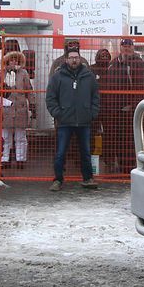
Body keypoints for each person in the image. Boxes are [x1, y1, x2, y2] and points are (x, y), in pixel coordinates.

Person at [45, 48, 99, 191]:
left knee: (85, 152)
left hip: (84, 121)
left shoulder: (89, 76)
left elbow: (95, 97)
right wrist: (58, 114)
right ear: (66, 60)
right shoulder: (58, 77)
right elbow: (50, 97)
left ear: (80, 59)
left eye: (76, 57)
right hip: (64, 122)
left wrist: (91, 113)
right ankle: (58, 180)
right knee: (61, 152)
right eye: (71, 57)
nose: (74, 60)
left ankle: (88, 178)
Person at [104, 38, 144, 173]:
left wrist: (134, 106)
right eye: (124, 46)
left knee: (129, 139)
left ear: (133, 47)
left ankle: (129, 166)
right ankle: (119, 163)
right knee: (116, 138)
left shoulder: (138, 63)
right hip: (114, 109)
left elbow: (140, 87)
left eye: (129, 46)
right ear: (120, 48)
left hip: (130, 109)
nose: (127, 48)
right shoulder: (113, 64)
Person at [0, 50, 32, 169]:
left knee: (20, 136)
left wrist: (33, 105)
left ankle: (20, 159)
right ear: (7, 61)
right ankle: (5, 159)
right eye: (11, 59)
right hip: (6, 109)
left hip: (20, 108)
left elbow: (29, 89)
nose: (14, 62)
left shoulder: (23, 73)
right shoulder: (2, 73)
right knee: (5, 136)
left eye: (16, 60)